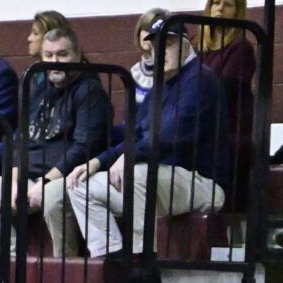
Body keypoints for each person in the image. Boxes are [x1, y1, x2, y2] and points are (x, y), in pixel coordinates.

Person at [67, 18, 228, 256]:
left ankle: (144, 264)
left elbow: (170, 135)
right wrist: (98, 161)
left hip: (203, 183)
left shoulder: (201, 79)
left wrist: (130, 156)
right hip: (158, 183)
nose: (158, 53)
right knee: (80, 186)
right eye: (153, 48)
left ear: (185, 46)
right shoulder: (159, 86)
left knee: (138, 174)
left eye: (168, 45)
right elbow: (136, 135)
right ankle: (113, 261)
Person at [0, 27, 111, 258]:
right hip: (29, 179)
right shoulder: (39, 87)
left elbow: (84, 148)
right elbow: (19, 140)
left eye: (62, 54)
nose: (55, 62)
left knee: (53, 197)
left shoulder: (90, 89)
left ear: (77, 54)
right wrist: (14, 183)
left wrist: (44, 182)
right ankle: (12, 264)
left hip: (66, 177)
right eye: (49, 55)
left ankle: (65, 270)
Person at [199, 0, 255, 209]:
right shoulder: (198, 47)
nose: (220, 8)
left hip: (229, 134)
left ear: (237, 11)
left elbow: (225, 92)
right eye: (216, 2)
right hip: (203, 131)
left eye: (228, 4)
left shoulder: (241, 47)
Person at [130, 8, 169, 108]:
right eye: (146, 29)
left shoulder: (172, 69)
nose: (148, 34)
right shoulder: (135, 71)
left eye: (152, 30)